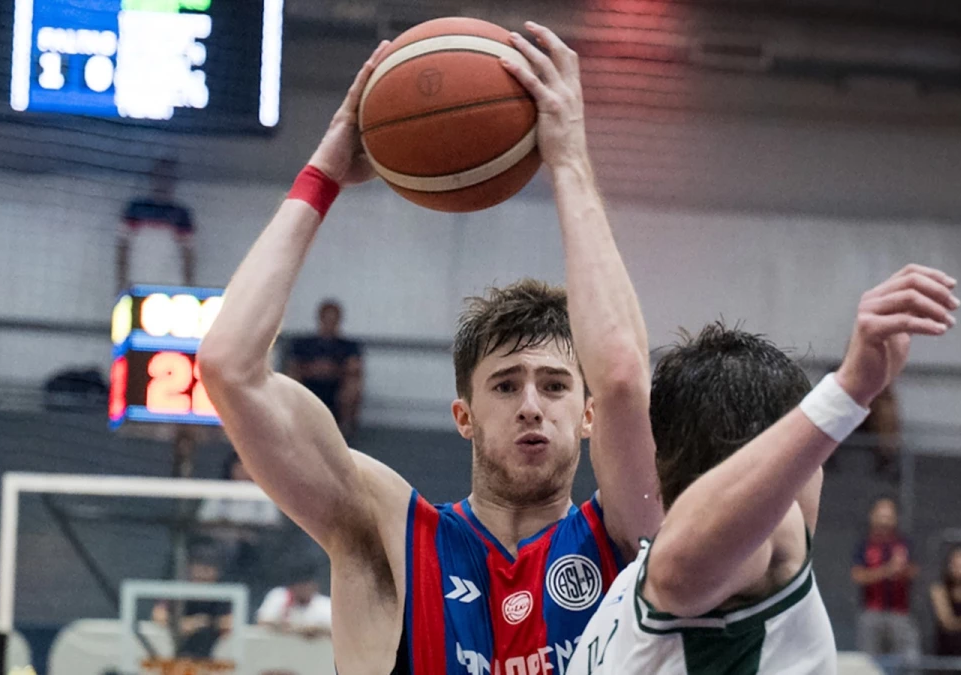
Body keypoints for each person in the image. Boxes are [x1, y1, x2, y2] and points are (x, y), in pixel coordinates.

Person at [198, 22, 663, 675]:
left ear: (589, 414)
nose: (532, 404)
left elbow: (620, 371)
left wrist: (569, 159)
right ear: (463, 414)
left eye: (555, 384)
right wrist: (324, 170)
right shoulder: (388, 535)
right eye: (505, 384)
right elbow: (228, 367)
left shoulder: (630, 539)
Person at [569, 264, 960, 674]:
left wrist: (576, 195)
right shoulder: (723, 565)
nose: (815, 468)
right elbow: (620, 377)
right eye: (807, 455)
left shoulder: (621, 598)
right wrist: (848, 391)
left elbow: (620, 375)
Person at [851, 496, 921, 660]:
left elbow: (915, 571)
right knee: (868, 662)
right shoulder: (864, 545)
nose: (884, 521)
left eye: (888, 516)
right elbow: (858, 576)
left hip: (900, 612)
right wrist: (887, 570)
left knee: (909, 661)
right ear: (872, 516)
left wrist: (901, 569)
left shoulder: (904, 544)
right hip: (872, 612)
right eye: (881, 515)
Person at [196, 453, 283, 582]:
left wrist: (245, 531)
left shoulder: (263, 492)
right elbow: (204, 521)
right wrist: (229, 528)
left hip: (254, 546)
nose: (243, 471)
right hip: (221, 544)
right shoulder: (219, 491)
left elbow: (270, 523)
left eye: (246, 466)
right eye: (239, 467)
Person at [286, 299, 364, 439]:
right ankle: (292, 426)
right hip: (308, 384)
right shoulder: (302, 343)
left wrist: (332, 370)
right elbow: (293, 366)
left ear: (339, 320)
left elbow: (354, 368)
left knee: (353, 384)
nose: (330, 323)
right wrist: (313, 369)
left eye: (333, 319)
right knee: (291, 379)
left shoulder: (349, 345)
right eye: (327, 319)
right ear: (320, 318)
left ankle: (344, 431)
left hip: (336, 386)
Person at [117, 157, 196, 291]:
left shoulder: (181, 214)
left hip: (170, 284)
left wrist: (188, 288)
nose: (163, 182)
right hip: (138, 281)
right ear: (152, 178)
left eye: (167, 178)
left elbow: (188, 254)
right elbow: (123, 247)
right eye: (159, 176)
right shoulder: (135, 209)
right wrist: (121, 282)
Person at [152, 555, 233, 658]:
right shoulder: (175, 588)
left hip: (210, 655)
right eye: (198, 575)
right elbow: (158, 614)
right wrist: (180, 624)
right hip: (178, 651)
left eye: (207, 576)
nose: (202, 577)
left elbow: (229, 622)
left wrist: (205, 623)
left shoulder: (222, 592)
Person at [256, 564, 333, 639]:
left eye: (307, 585)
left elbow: (334, 629)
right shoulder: (280, 596)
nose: (304, 589)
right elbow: (262, 620)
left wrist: (316, 630)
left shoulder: (324, 604)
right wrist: (295, 628)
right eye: (300, 585)